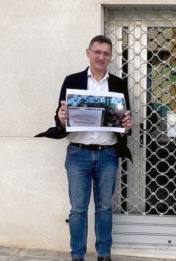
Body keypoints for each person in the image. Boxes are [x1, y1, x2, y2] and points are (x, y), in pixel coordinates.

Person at [55, 35, 133, 261]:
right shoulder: (72, 81)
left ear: (110, 56)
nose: (101, 56)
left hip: (108, 154)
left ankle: (104, 255)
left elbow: (125, 121)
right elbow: (60, 118)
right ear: (88, 53)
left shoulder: (118, 84)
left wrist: (128, 125)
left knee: (104, 209)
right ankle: (77, 255)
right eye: (97, 52)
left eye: (106, 53)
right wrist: (61, 118)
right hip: (78, 154)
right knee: (78, 209)